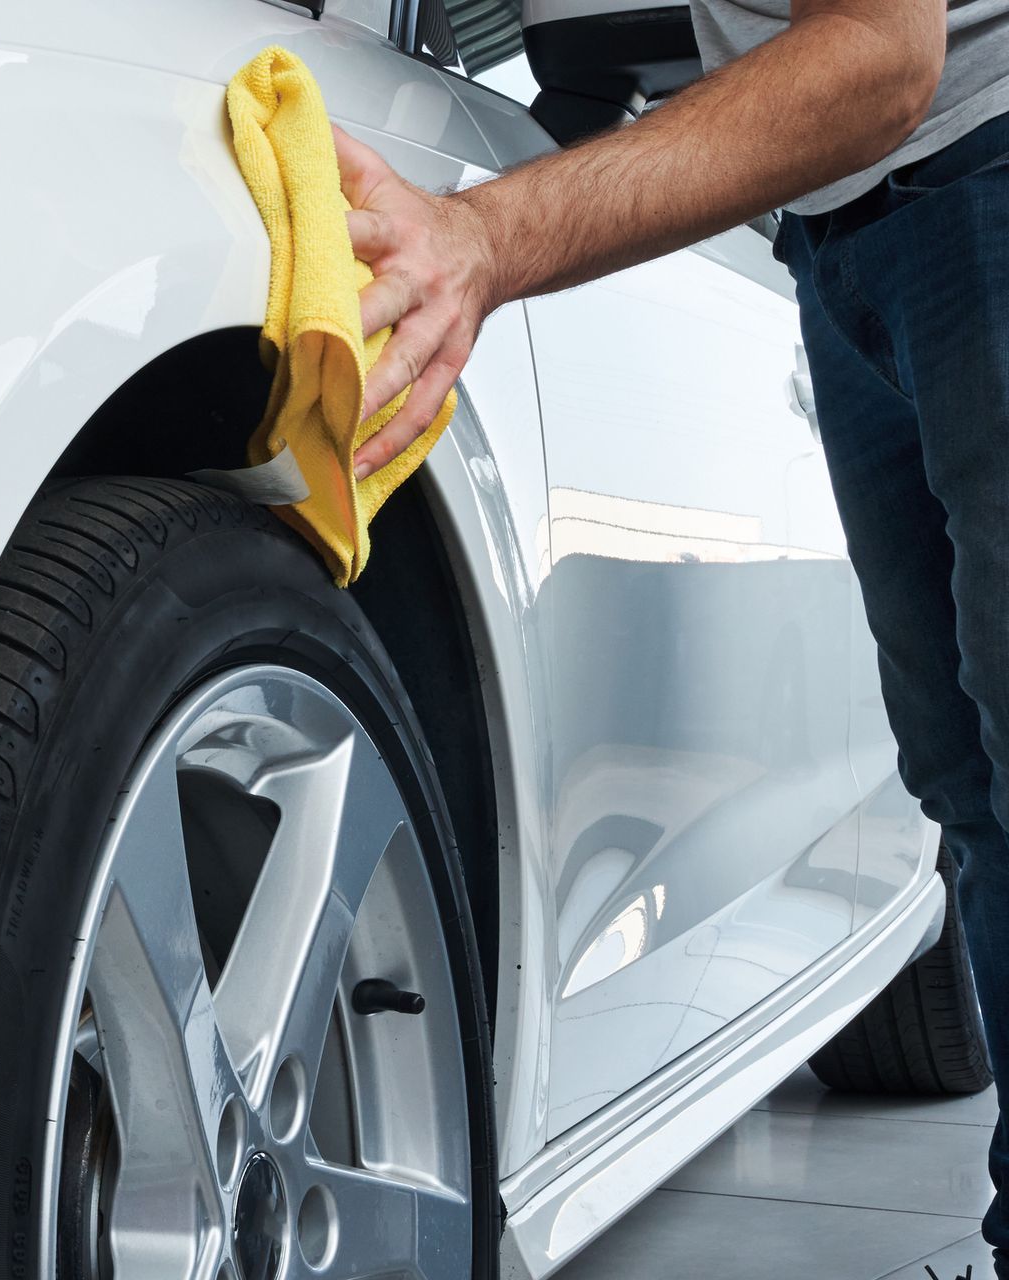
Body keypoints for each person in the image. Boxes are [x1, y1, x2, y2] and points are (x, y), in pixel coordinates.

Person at [339, 0, 1009, 1269]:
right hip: (836, 227)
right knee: (967, 786)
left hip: (976, 165)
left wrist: (488, 231)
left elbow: (876, 50)